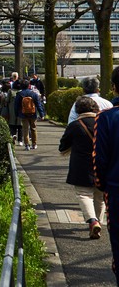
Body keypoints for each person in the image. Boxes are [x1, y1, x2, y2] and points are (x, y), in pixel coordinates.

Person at [59, 96, 103, 239]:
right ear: (95, 108)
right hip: (102, 164)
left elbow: (62, 147)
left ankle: (92, 221)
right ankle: (99, 222)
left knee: (84, 194)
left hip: (81, 166)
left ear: (78, 110)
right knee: (100, 196)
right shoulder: (103, 122)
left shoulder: (74, 125)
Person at [94, 65, 119, 282]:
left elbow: (99, 158)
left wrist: (102, 185)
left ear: (113, 87)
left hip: (116, 188)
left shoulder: (106, 117)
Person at [15, 79, 43, 150]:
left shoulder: (19, 94)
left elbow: (16, 106)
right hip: (33, 114)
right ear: (29, 85)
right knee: (33, 129)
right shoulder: (34, 94)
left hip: (23, 114)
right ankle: (34, 144)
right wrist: (41, 114)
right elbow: (38, 105)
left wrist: (16, 114)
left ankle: (27, 144)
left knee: (25, 129)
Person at [2, 80, 22, 145]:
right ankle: (20, 140)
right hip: (20, 110)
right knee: (20, 125)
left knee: (12, 124)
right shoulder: (22, 91)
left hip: (12, 109)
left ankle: (13, 136)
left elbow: (7, 100)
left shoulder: (10, 91)